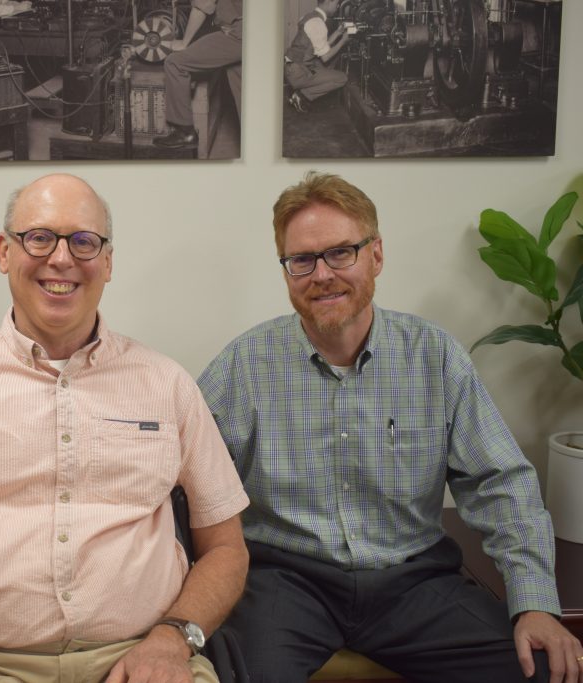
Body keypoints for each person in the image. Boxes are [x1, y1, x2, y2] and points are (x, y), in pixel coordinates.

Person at [0, 173, 250, 683]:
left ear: (107, 261)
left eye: (84, 241)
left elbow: (226, 549)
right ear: (4, 252)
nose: (62, 259)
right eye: (39, 237)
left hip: (142, 662)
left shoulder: (167, 384)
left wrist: (173, 641)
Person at [198, 171, 583, 683]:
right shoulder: (245, 365)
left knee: (535, 671)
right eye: (302, 260)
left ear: (376, 255)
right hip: (284, 581)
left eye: (341, 252)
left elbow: (499, 483)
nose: (322, 274)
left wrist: (534, 602)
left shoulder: (435, 355)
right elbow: (188, 483)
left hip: (413, 581)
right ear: (286, 269)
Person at [153, 0, 242, 150]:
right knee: (241, 86)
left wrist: (184, 43)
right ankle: (258, 144)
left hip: (237, 34)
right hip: (256, 31)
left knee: (175, 63)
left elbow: (202, 7)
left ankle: (185, 132)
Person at [284, 0, 354, 114]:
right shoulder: (318, 23)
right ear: (328, 2)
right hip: (297, 72)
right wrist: (343, 41)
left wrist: (338, 32)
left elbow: (321, 46)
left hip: (292, 67)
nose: (337, 6)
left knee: (327, 67)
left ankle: (301, 90)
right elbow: (325, 57)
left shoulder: (310, 17)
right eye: (336, 3)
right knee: (342, 78)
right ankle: (302, 95)